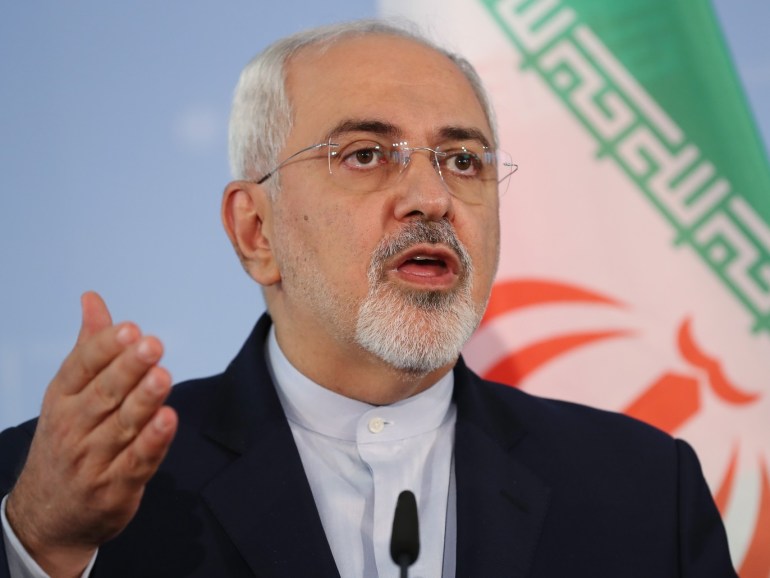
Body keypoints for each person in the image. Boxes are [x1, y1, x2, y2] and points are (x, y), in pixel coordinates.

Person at [0, 19, 737, 578]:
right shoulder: (56, 489)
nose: (432, 198)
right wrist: (45, 547)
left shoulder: (643, 490)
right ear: (255, 230)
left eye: (463, 160)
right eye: (364, 155)